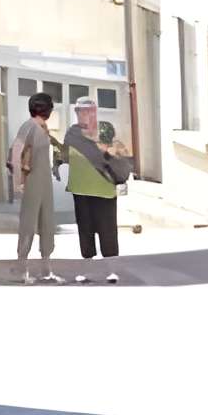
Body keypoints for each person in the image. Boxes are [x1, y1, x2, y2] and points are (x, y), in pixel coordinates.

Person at [62, 99, 133, 283]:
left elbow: (120, 152)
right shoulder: (72, 134)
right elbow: (66, 155)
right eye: (81, 111)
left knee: (108, 232)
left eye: (90, 111)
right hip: (81, 190)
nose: (86, 114)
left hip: (104, 189)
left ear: (95, 112)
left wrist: (107, 149)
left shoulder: (105, 131)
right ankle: (87, 270)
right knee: (85, 232)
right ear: (76, 113)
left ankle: (111, 270)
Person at [10, 91, 61, 284]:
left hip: (44, 181)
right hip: (31, 181)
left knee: (47, 222)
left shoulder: (42, 127)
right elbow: (16, 152)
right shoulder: (29, 126)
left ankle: (46, 268)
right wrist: (17, 183)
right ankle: (21, 268)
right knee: (28, 223)